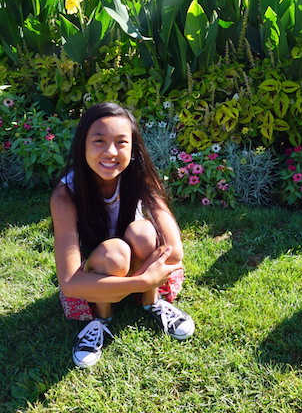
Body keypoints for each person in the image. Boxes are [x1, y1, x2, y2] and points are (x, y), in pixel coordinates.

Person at [51, 102, 195, 368]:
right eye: (99, 141)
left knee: (142, 233)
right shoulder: (66, 195)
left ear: (133, 147)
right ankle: (101, 318)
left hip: (137, 260)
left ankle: (152, 302)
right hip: (97, 271)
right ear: (83, 145)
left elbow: (175, 250)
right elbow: (70, 283)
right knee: (115, 253)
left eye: (121, 142)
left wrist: (144, 280)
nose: (110, 152)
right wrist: (142, 281)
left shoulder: (140, 178)